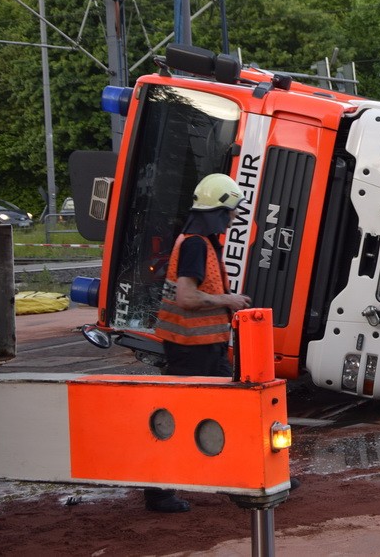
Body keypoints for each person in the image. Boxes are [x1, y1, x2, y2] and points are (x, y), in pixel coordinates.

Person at [145, 173, 252, 513]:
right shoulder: (194, 244)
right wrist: (228, 300)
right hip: (192, 351)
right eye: (231, 211)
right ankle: (159, 493)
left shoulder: (200, 242)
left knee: (232, 413)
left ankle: (246, 481)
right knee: (178, 419)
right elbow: (188, 297)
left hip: (203, 348)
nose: (233, 218)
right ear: (219, 209)